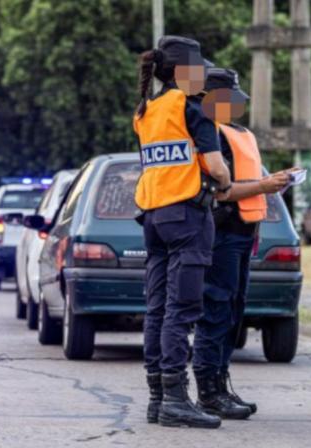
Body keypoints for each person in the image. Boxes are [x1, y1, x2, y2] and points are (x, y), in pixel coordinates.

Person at [133, 36, 232, 429]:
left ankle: (158, 397)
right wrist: (223, 183)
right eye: (198, 69)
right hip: (187, 218)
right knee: (182, 307)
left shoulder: (146, 110)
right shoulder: (193, 107)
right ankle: (176, 399)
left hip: (153, 218)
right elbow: (215, 165)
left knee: (157, 309)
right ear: (181, 72)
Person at [192, 68, 291, 419]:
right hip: (221, 234)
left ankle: (220, 386)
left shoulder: (239, 134)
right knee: (216, 310)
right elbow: (223, 190)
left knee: (232, 312)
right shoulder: (210, 134)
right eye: (231, 99)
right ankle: (208, 392)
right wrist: (265, 186)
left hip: (244, 233)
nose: (237, 106)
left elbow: (248, 180)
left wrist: (274, 181)